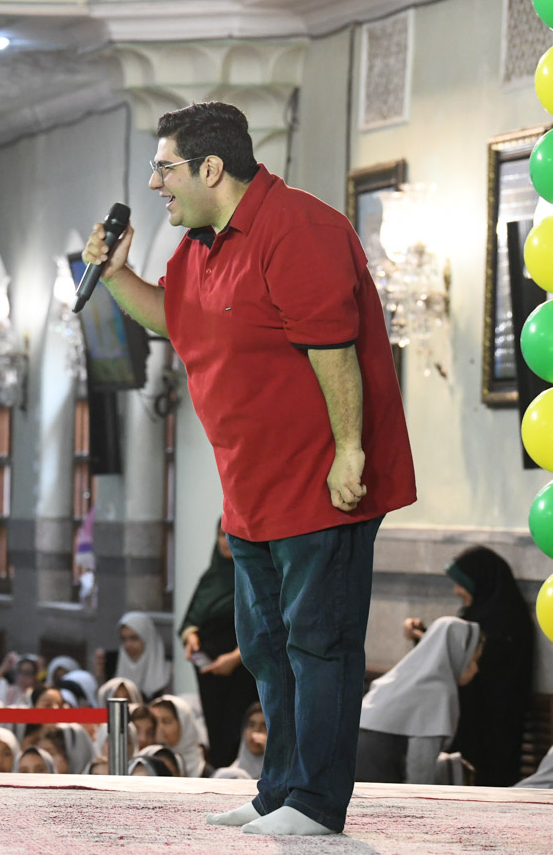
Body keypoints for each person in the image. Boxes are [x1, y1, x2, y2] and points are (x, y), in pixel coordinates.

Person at [83, 101, 415, 836]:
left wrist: (350, 452)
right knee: (265, 645)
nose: (154, 184)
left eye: (165, 168)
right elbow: (173, 318)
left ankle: (316, 803)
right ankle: (280, 791)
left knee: (318, 642)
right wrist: (113, 274)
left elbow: (333, 347)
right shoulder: (199, 246)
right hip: (251, 490)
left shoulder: (298, 227)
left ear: (211, 168)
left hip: (319, 482)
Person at [404, 545, 534, 786]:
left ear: (480, 582)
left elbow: (469, 658)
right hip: (469, 729)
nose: (456, 590)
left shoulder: (508, 623)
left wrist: (425, 638)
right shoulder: (477, 612)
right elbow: (459, 653)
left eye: (461, 583)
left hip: (493, 733)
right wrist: (423, 634)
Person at [357, 616, 482, 784]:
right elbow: (420, 768)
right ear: (458, 654)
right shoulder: (437, 691)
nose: (477, 669)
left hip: (349, 770)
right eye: (474, 660)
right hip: (375, 778)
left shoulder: (406, 674)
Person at [180, 519, 259, 768]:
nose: (225, 542)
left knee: (239, 733)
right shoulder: (210, 577)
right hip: (210, 676)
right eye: (221, 535)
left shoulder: (254, 576)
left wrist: (235, 658)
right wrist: (191, 638)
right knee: (216, 736)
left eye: (230, 535)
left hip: (242, 672)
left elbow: (262, 624)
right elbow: (191, 619)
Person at [114, 613, 170, 701]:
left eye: (134, 638)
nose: (127, 645)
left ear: (148, 639)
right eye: (124, 639)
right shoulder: (114, 671)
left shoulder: (168, 673)